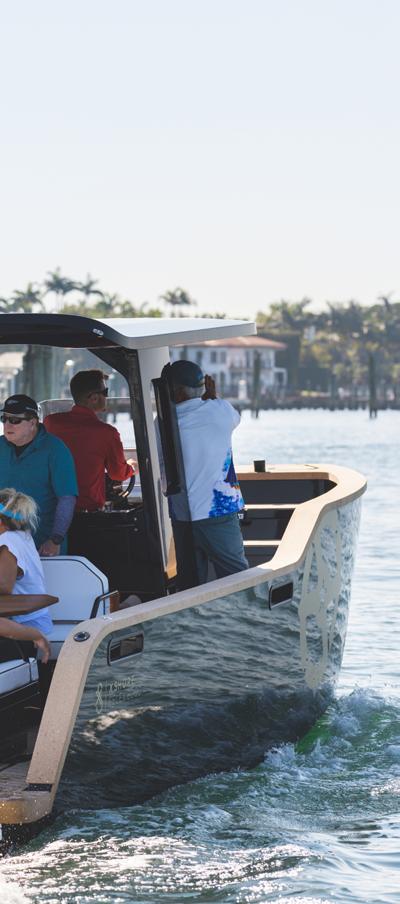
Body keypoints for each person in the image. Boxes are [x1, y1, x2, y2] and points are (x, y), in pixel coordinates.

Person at [163, 359, 248, 590]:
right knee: (236, 579)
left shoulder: (162, 422)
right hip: (219, 510)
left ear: (177, 391)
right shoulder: (220, 411)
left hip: (182, 514)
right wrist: (212, 396)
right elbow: (235, 418)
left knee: (190, 584)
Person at [44, 369, 135, 512]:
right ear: (94, 398)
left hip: (52, 510)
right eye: (105, 392)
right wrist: (132, 467)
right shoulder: (107, 433)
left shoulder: (50, 423)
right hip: (87, 513)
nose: (107, 396)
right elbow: (117, 474)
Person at [0, 395, 78, 555]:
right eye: (4, 418)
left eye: (15, 420)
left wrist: (55, 540)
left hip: (42, 547)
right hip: (4, 545)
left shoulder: (56, 449)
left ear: (32, 423)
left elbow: (67, 498)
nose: (7, 424)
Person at [0, 488, 52, 662]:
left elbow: (4, 586)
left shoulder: (7, 540)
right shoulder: (22, 536)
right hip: (34, 620)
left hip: (23, 627)